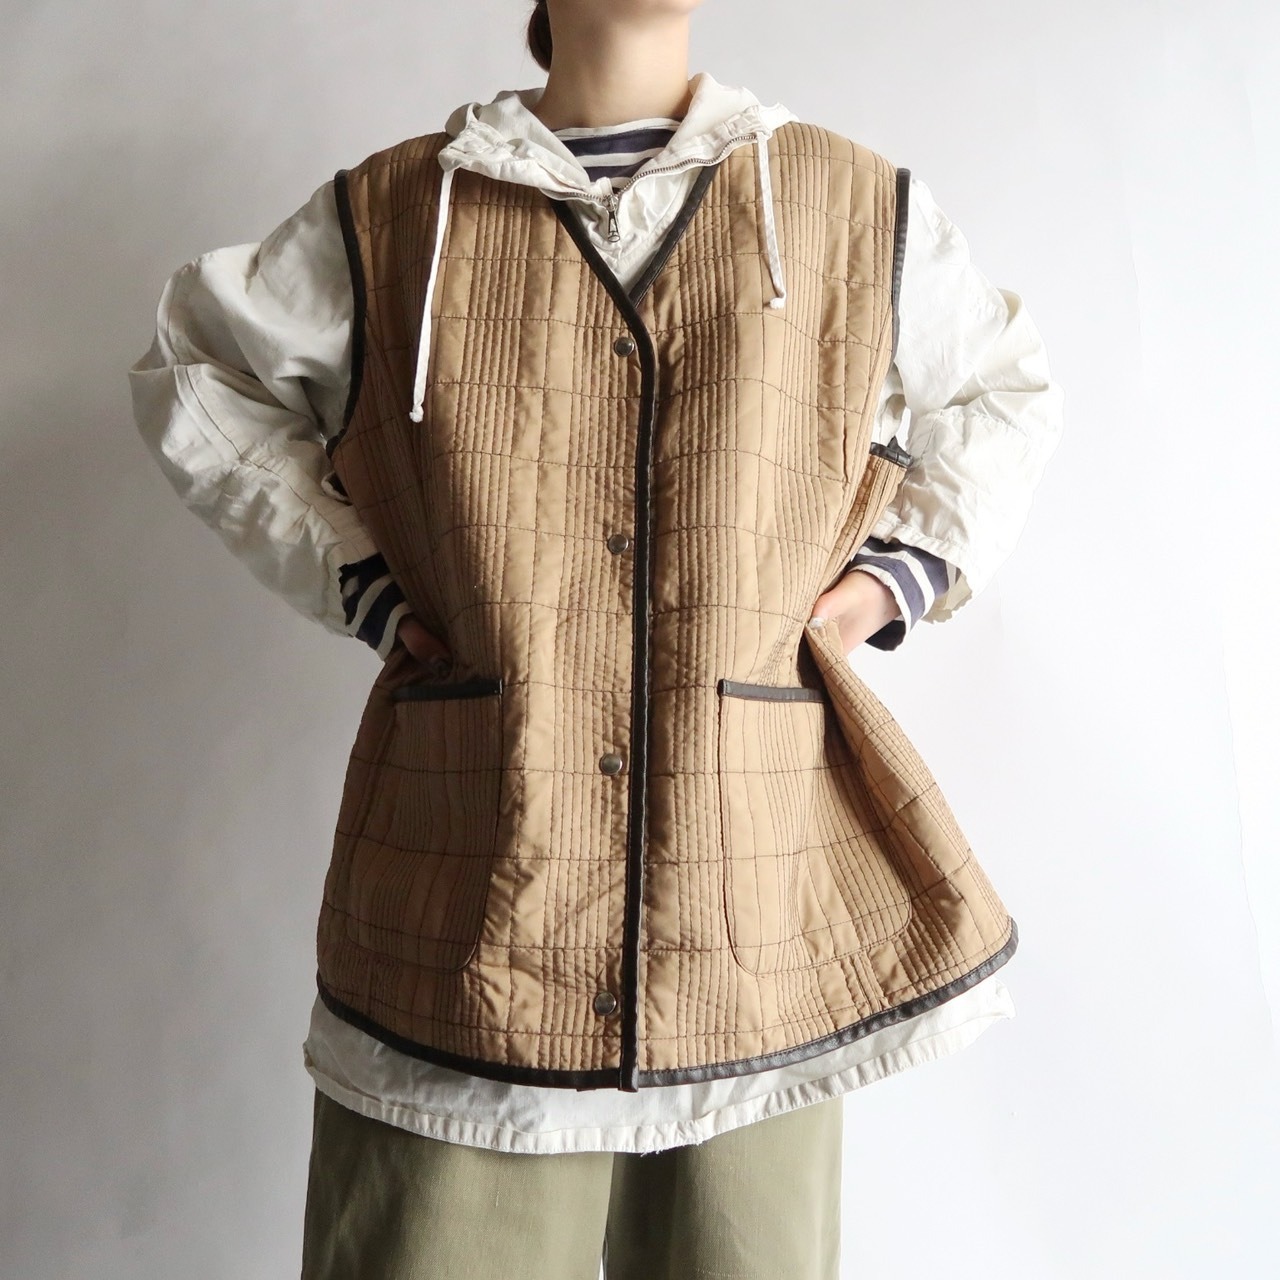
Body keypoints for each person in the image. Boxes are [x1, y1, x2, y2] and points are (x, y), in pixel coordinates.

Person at [128, 2, 1065, 1276]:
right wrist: (363, 577)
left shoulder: (848, 205)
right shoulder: (394, 213)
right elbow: (196, 367)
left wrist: (886, 583)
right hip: (474, 895)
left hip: (745, 898)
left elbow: (1003, 390)